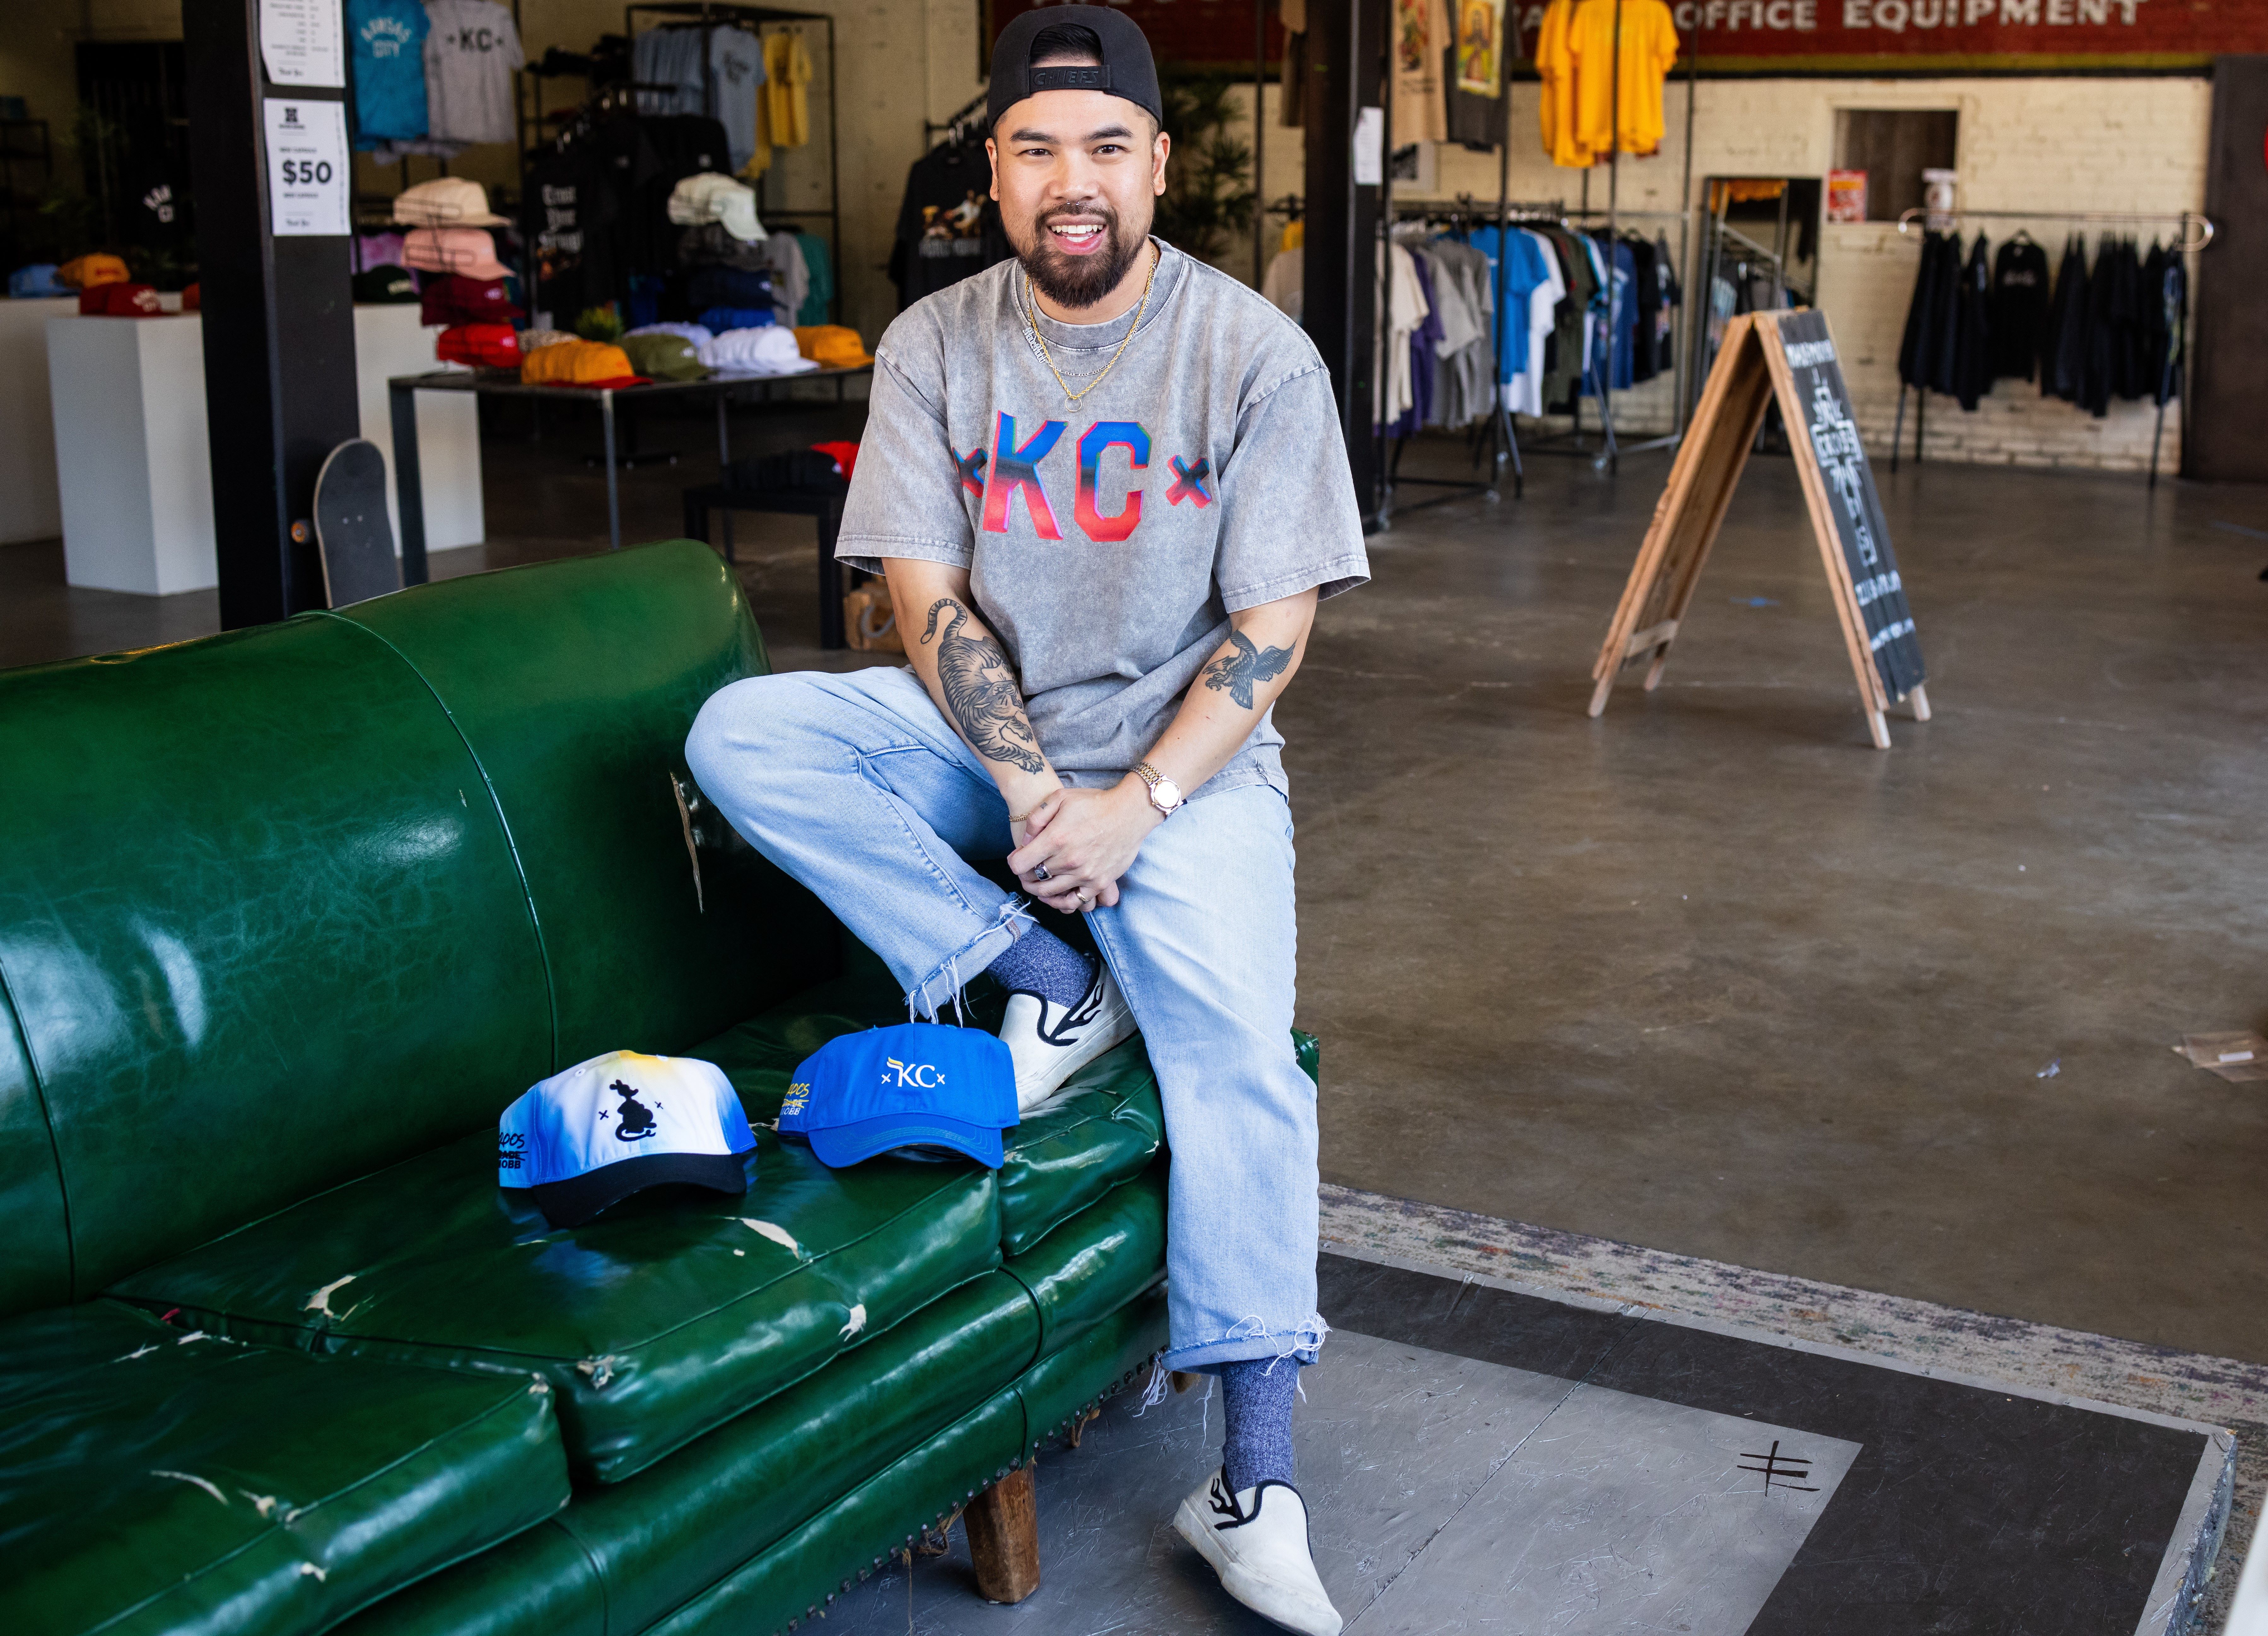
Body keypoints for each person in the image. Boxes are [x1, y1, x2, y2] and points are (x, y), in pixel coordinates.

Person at [685, 9, 1365, 1631]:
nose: (1075, 183)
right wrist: (1024, 794)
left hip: (1184, 764)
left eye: (1106, 149)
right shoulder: (933, 342)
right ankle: (1041, 976)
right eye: (1039, 149)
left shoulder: (1255, 354)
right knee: (746, 731)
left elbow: (1272, 627)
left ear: (1158, 167)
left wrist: (1133, 808)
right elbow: (918, 595)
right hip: (981, 741)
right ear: (991, 170)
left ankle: (1251, 1476)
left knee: (1239, 1063)